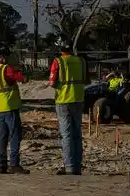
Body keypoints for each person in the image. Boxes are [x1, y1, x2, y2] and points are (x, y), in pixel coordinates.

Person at [0, 46, 30, 174]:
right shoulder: (6, 68)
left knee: (2, 137)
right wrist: (25, 76)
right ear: (2, 57)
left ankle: (1, 164)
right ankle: (14, 164)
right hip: (10, 107)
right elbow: (19, 78)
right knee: (15, 135)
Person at [48, 46, 90, 175]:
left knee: (66, 135)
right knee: (77, 134)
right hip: (78, 99)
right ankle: (77, 167)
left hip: (63, 100)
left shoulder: (58, 61)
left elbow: (52, 83)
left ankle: (70, 167)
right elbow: (87, 80)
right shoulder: (81, 61)